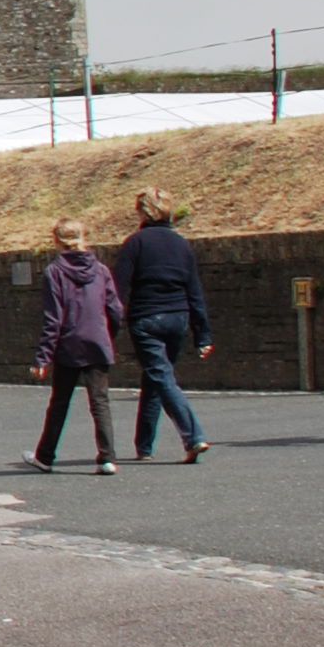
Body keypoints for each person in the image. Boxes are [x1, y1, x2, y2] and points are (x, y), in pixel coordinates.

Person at [112, 188, 213, 462]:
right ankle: (144, 446)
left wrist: (111, 328)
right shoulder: (181, 244)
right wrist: (203, 334)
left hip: (146, 318)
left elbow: (118, 290)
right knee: (156, 377)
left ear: (143, 213)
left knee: (162, 377)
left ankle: (193, 437)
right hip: (178, 319)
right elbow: (195, 292)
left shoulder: (135, 243)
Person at [23, 216, 125, 473]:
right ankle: (107, 458)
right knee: (100, 402)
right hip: (97, 342)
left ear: (57, 241)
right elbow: (114, 309)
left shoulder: (54, 272)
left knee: (59, 402)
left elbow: (53, 318)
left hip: (69, 343)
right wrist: (107, 334)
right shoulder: (101, 270)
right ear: (83, 238)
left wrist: (42, 357)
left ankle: (45, 457)